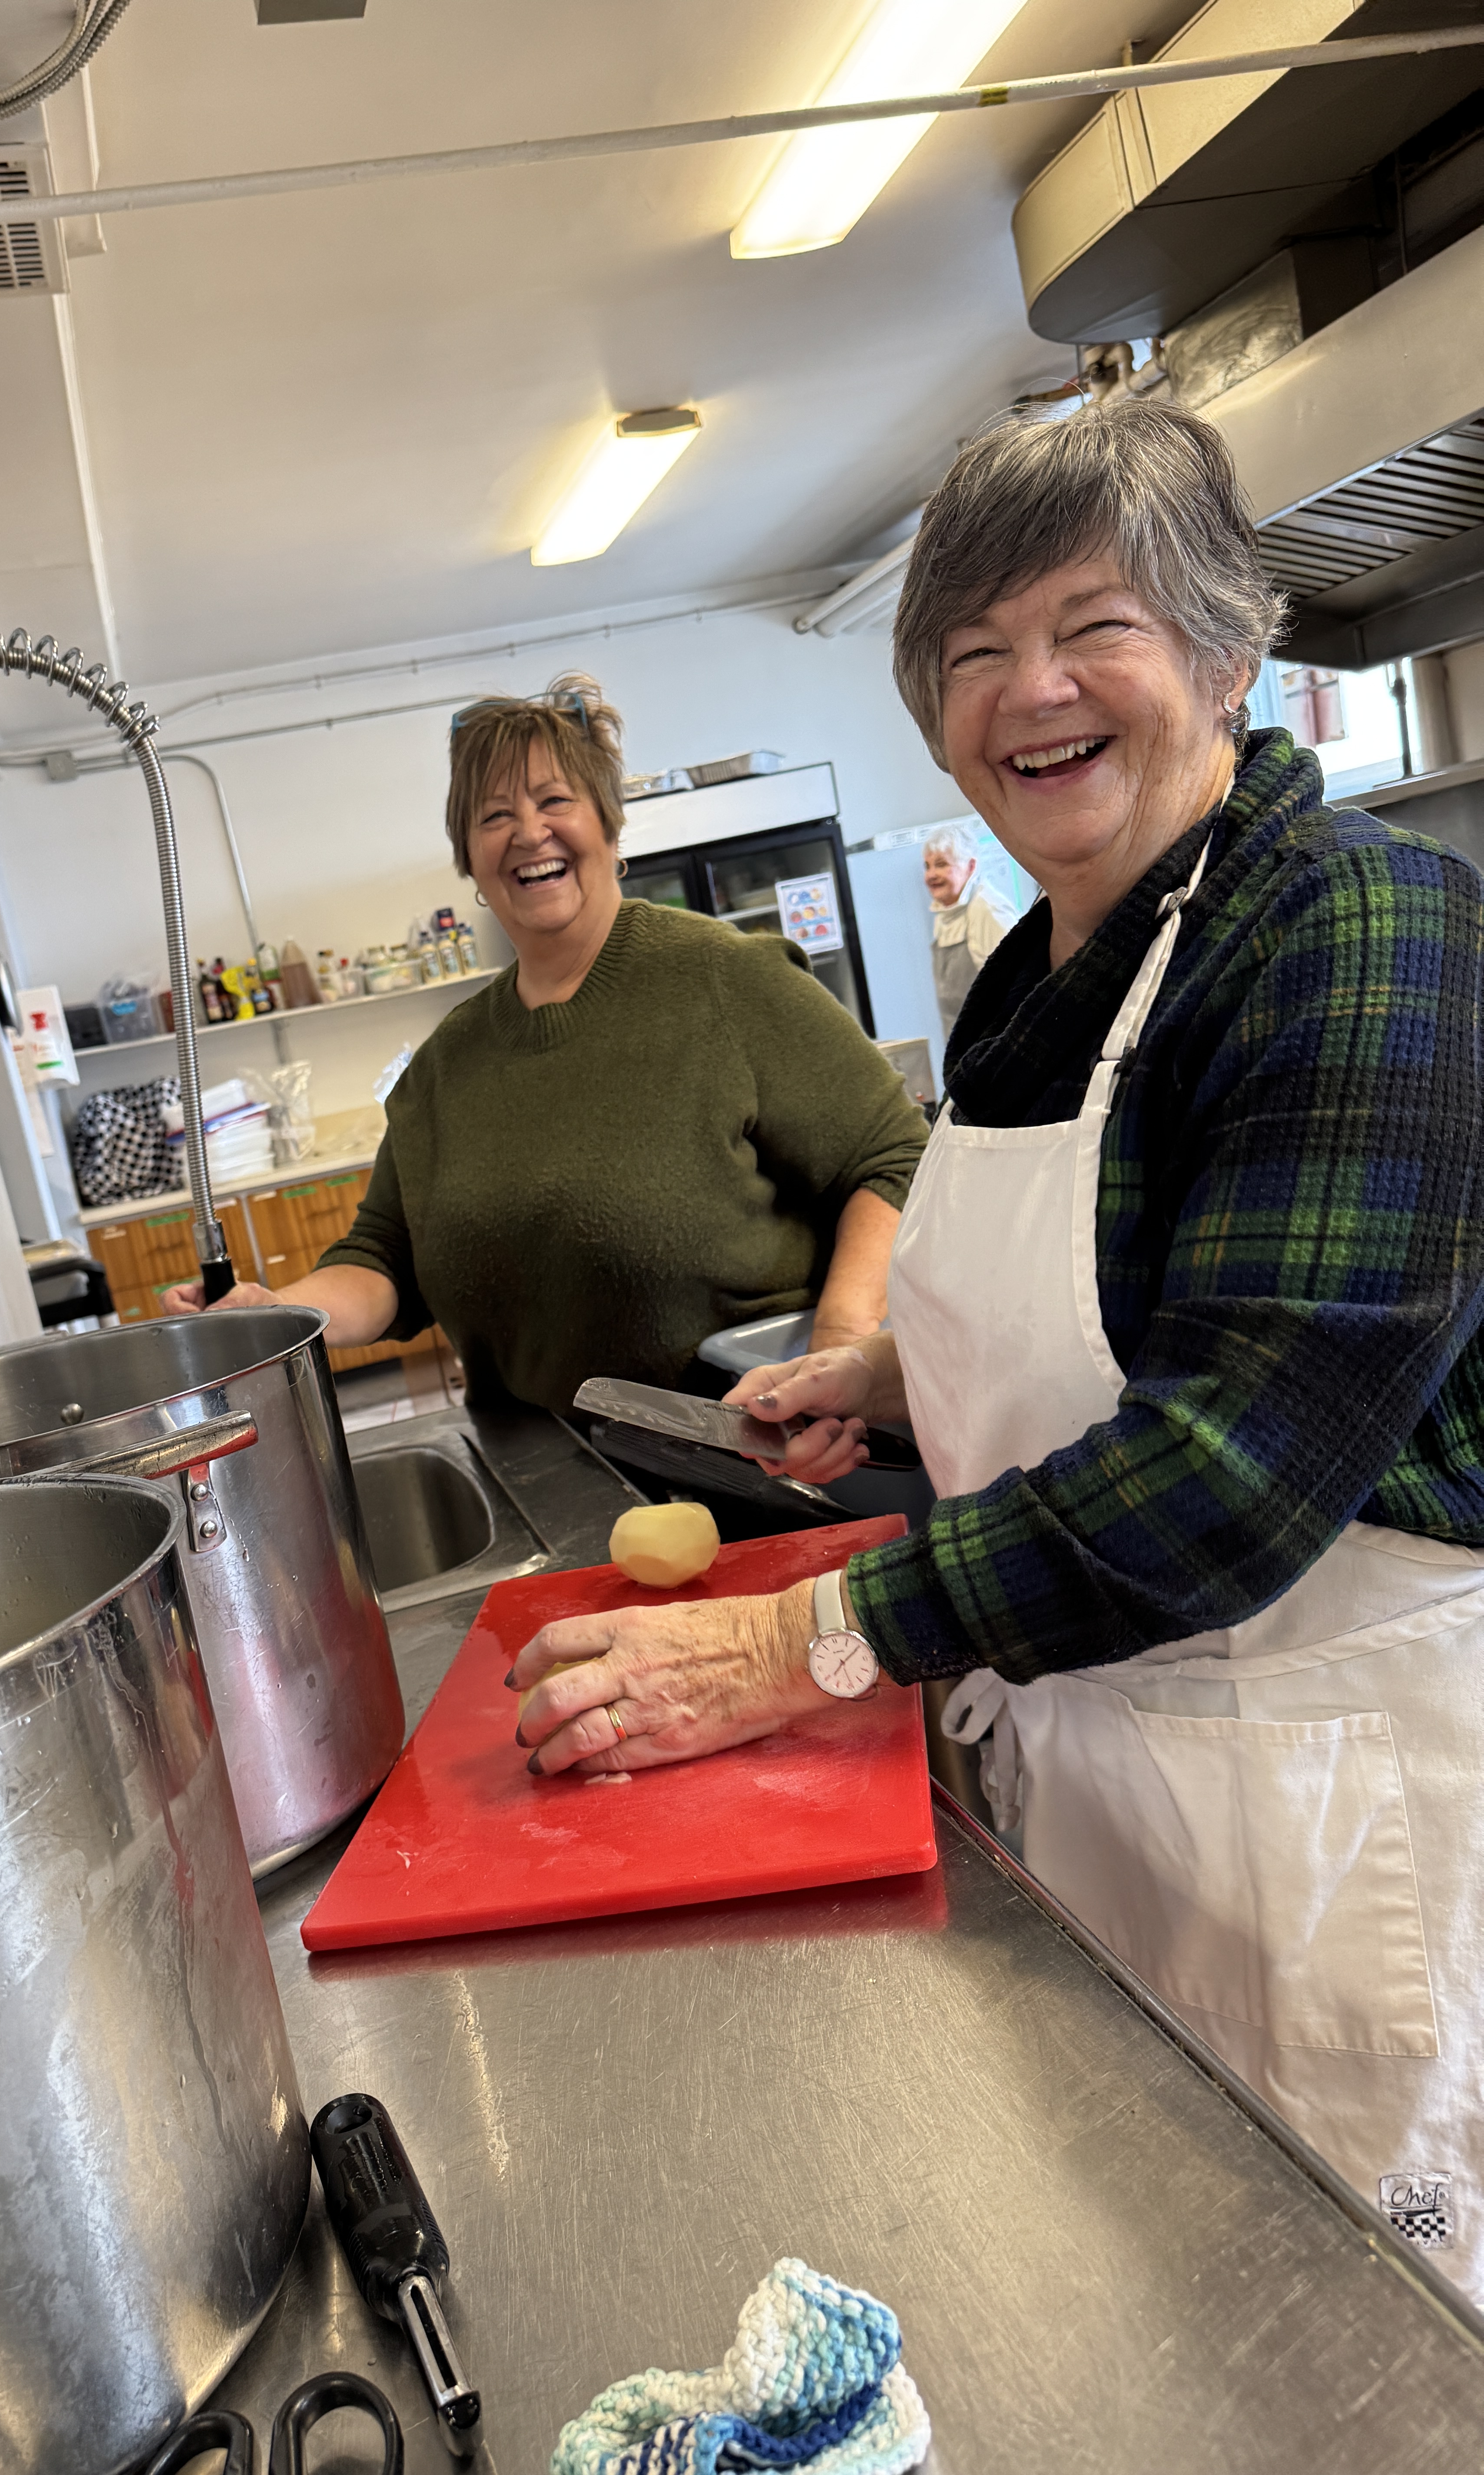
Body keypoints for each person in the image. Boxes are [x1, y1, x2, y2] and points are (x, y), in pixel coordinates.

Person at [511, 402, 1484, 2301]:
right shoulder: (1048, 970)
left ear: (1225, 650)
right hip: (1104, 1776)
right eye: (971, 652)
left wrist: (794, 1645)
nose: (1027, 690)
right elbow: (1126, 1287)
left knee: (1366, 2346)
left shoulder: (1360, 929)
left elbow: (1233, 1468)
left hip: (1329, 1817)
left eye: (1088, 625)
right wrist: (890, 1376)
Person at [166, 676, 927, 1415]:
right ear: (470, 860)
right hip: (543, 1472)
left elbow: (892, 1157)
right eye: (494, 815)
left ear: (608, 824)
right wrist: (280, 1314)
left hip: (752, 1448)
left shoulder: (726, 980)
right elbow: (384, 1258)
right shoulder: (444, 1069)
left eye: (555, 800)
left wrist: (839, 1351)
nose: (529, 833)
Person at [921, 820, 1014, 1042]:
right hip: (963, 1045)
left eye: (941, 865)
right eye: (927, 866)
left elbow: (1016, 991)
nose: (931, 875)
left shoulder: (988, 911)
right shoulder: (944, 915)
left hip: (993, 1044)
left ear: (971, 867)